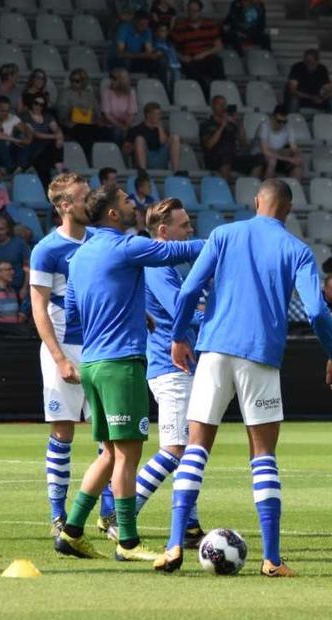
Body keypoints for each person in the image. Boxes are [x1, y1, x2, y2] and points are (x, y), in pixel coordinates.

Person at [165, 179, 332, 576]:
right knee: (263, 456)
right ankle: (271, 558)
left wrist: (179, 336)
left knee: (196, 448)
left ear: (256, 202)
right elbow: (316, 311)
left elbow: (190, 288)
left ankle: (174, 544)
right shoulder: (295, 249)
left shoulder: (224, 234)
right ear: (288, 210)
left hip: (212, 351)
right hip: (260, 357)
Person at [53, 185, 204, 563]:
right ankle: (129, 541)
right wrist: (227, 242)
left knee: (107, 455)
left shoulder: (80, 255)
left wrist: (125, 312)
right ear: (113, 215)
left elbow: (72, 315)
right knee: (127, 457)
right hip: (122, 364)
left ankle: (71, 531)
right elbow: (178, 250)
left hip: (91, 362)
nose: (133, 204)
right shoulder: (126, 246)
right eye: (125, 201)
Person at [130, 199, 210, 557]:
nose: (190, 230)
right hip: (169, 365)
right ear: (163, 232)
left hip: (179, 365)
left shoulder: (168, 265)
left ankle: (189, 525)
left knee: (190, 447)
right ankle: (119, 511)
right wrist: (216, 315)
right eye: (184, 225)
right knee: (176, 448)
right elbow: (181, 309)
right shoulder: (158, 264)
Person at [28, 173, 95, 534]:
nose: (92, 201)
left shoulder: (99, 240)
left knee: (110, 436)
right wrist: (59, 358)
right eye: (84, 196)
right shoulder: (47, 249)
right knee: (63, 432)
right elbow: (38, 308)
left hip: (101, 347)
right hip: (65, 347)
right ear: (64, 205)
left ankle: (109, 513)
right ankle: (58, 514)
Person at [170, 0, 226, 97]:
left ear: (200, 11)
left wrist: (203, 54)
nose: (192, 13)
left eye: (195, 11)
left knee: (217, 63)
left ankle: (220, 93)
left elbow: (219, 47)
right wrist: (182, 57)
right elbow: (171, 48)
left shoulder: (210, 24)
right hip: (190, 59)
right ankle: (205, 94)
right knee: (193, 71)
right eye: (190, 10)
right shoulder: (180, 27)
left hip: (207, 56)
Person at [200, 95, 263, 179]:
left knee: (260, 159)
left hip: (233, 158)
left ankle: (251, 186)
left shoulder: (231, 124)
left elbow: (243, 143)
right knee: (225, 157)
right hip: (214, 159)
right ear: (213, 106)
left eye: (224, 104)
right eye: (220, 104)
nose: (223, 107)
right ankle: (226, 188)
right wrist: (222, 126)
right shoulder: (206, 124)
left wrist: (239, 123)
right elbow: (209, 145)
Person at [57, 68, 112, 154]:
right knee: (84, 132)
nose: (74, 83)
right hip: (71, 125)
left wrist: (97, 119)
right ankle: (88, 159)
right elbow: (61, 115)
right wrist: (73, 110)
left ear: (83, 81)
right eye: (72, 80)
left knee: (107, 131)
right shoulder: (65, 94)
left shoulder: (90, 95)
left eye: (77, 81)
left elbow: (97, 112)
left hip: (89, 123)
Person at [20, 93, 64, 188]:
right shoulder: (25, 116)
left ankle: (59, 172)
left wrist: (59, 136)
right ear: (31, 103)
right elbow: (35, 134)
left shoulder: (47, 116)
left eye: (41, 105)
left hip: (46, 150)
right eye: (36, 103)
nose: (38, 106)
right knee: (53, 144)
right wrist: (55, 137)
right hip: (33, 147)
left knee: (55, 145)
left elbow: (56, 128)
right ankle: (60, 171)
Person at [114, 11, 168, 84]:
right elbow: (120, 54)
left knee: (161, 61)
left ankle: (163, 89)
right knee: (125, 61)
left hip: (138, 60)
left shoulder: (147, 30)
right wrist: (143, 55)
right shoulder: (124, 29)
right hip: (122, 61)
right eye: (141, 25)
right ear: (135, 22)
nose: (144, 28)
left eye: (146, 25)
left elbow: (148, 51)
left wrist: (154, 53)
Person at [127, 102, 183, 173]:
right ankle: (143, 172)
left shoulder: (162, 129)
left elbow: (163, 142)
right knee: (139, 139)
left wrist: (160, 127)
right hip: (146, 157)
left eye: (160, 114)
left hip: (161, 156)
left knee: (175, 137)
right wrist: (132, 146)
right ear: (148, 115)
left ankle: (176, 171)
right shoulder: (136, 129)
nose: (159, 116)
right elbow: (126, 148)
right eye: (156, 114)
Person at [0, 214, 30, 296]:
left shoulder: (19, 243)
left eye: (1, 229)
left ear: (8, 229)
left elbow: (27, 268)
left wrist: (25, 288)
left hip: (17, 287)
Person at [253, 106, 304, 180]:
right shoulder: (264, 126)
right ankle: (268, 188)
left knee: (298, 163)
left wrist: (298, 156)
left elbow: (294, 148)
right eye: (279, 121)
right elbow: (265, 151)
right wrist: (288, 159)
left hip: (278, 156)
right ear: (273, 117)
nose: (281, 124)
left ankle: (294, 188)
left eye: (284, 122)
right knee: (272, 161)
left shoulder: (288, 127)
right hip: (260, 157)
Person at [101, 68, 139, 142]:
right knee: (117, 132)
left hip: (128, 123)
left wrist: (126, 126)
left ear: (122, 81)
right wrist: (118, 125)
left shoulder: (131, 92)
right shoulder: (106, 92)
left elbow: (132, 113)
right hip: (111, 123)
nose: (111, 82)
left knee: (133, 132)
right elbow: (107, 114)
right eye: (111, 79)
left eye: (114, 79)